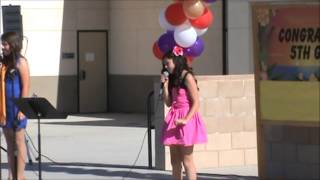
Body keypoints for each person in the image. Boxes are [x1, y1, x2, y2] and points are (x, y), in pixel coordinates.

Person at [160, 46, 208, 180]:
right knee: (175, 162)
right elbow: (169, 103)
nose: (165, 67)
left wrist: (186, 119)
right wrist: (165, 85)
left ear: (176, 61)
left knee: (187, 161)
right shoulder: (172, 78)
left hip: (186, 120)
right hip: (174, 119)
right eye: (164, 64)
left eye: (167, 63)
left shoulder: (187, 77)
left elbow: (196, 102)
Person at [0, 31, 30, 180]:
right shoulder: (4, 63)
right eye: (2, 44)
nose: (2, 47)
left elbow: (25, 86)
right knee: (10, 145)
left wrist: (23, 109)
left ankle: (20, 176)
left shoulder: (21, 62)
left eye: (5, 44)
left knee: (19, 142)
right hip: (5, 110)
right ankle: (11, 176)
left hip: (18, 108)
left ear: (13, 45)